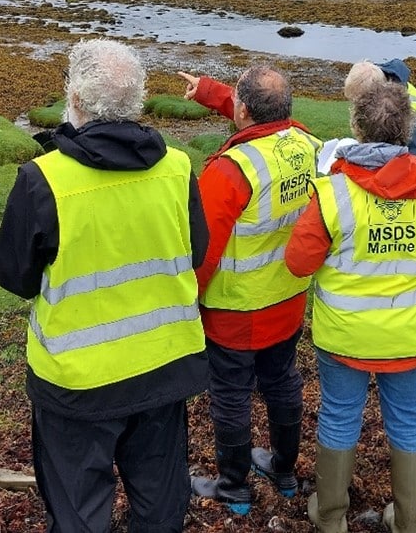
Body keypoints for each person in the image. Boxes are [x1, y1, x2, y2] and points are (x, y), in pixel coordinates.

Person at [0, 39, 208, 533]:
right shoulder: (177, 167)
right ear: (137, 101)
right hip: (164, 365)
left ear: (74, 98)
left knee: (79, 511)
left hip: (77, 380)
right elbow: (195, 252)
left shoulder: (42, 179)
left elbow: (15, 276)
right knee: (160, 503)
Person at [286, 80, 416, 533]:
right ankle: (408, 523)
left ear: (355, 127)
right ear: (408, 127)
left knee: (341, 417)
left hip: (346, 336)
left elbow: (298, 263)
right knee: (409, 420)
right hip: (410, 336)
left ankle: (331, 517)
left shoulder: (331, 195)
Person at [178, 65, 320, 514]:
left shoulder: (228, 172)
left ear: (243, 109)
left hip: (234, 312)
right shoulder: (309, 146)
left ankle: (234, 485)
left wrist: (183, 305)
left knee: (231, 395)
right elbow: (262, 115)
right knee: (282, 381)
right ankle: (282, 469)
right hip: (290, 299)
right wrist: (208, 91)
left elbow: (201, 252)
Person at [343, 59, 416, 171]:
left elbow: (414, 166)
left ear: (375, 95)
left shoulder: (412, 115)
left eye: (361, 103)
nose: (357, 108)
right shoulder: (379, 79)